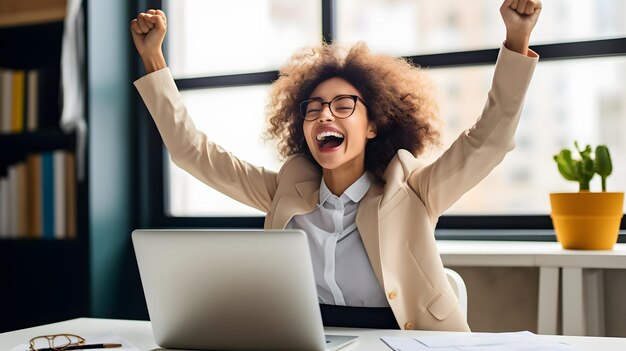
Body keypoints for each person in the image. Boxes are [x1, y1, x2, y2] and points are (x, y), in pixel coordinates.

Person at [131, 0, 541, 332]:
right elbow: (192, 153)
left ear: (375, 124)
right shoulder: (286, 191)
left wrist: (517, 40)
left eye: (344, 106)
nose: (325, 116)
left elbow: (489, 142)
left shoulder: (413, 189)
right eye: (313, 109)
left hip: (405, 341)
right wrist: (154, 60)